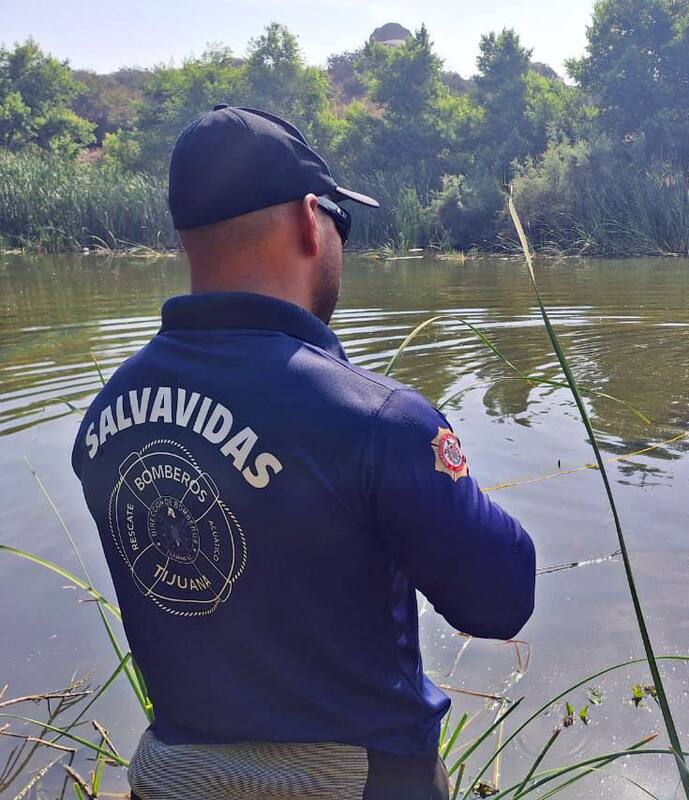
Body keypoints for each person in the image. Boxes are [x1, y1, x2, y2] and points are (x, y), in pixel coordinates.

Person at [70, 105, 536, 800]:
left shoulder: (108, 415)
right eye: (340, 222)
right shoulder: (380, 421)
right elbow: (499, 601)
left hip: (173, 780)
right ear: (307, 221)